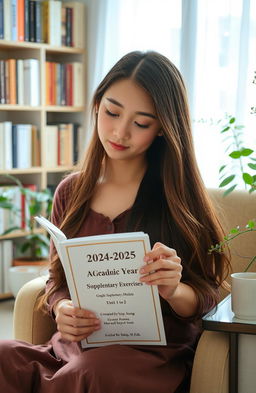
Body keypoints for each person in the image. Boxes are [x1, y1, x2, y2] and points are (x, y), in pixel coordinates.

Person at [0, 50, 230, 393]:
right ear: (96, 105)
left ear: (164, 129)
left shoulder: (179, 198)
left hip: (149, 357)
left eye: (141, 123)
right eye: (111, 112)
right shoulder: (72, 191)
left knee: (92, 371)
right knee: (4, 353)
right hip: (74, 349)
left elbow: (212, 294)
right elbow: (56, 279)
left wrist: (174, 289)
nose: (120, 132)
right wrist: (61, 307)